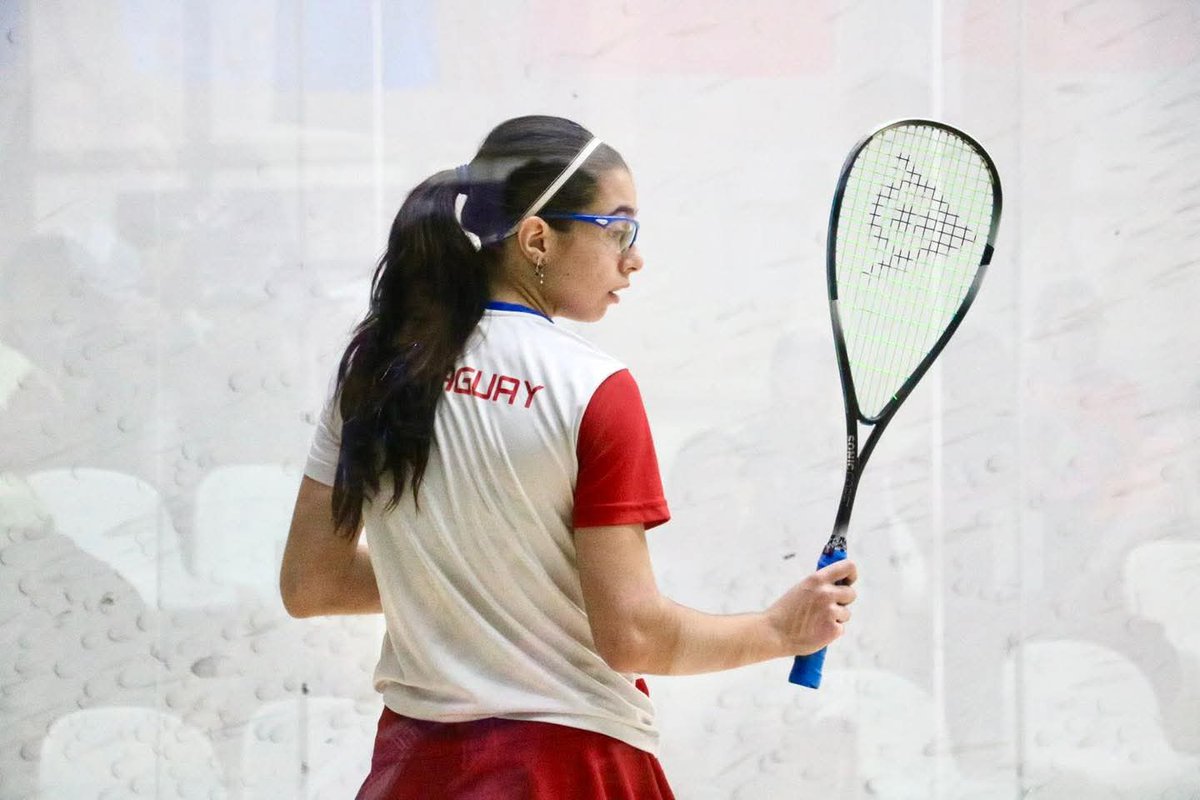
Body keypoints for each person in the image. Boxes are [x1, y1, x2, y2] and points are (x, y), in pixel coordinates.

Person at [279, 114, 858, 799]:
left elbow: (311, 583)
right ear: (536, 239)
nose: (634, 258)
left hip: (412, 773)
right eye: (619, 228)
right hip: (567, 769)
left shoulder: (375, 370)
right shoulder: (594, 390)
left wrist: (471, 569)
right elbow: (634, 635)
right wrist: (776, 630)